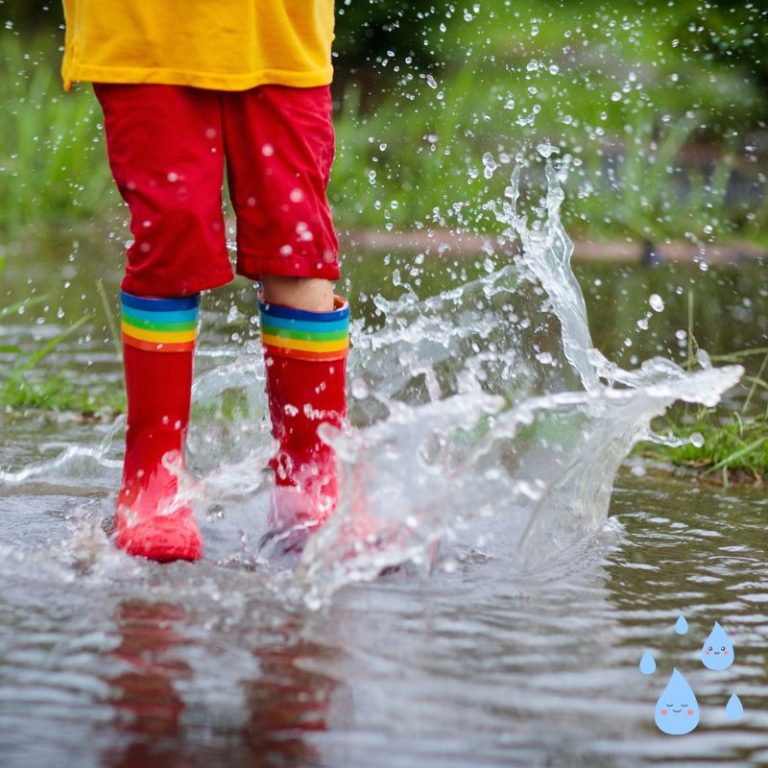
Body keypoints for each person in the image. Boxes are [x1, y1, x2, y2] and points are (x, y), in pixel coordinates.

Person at [60, 1, 349, 562]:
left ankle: (311, 478)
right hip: (143, 29)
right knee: (172, 229)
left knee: (298, 243)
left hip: (279, 31)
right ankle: (153, 476)